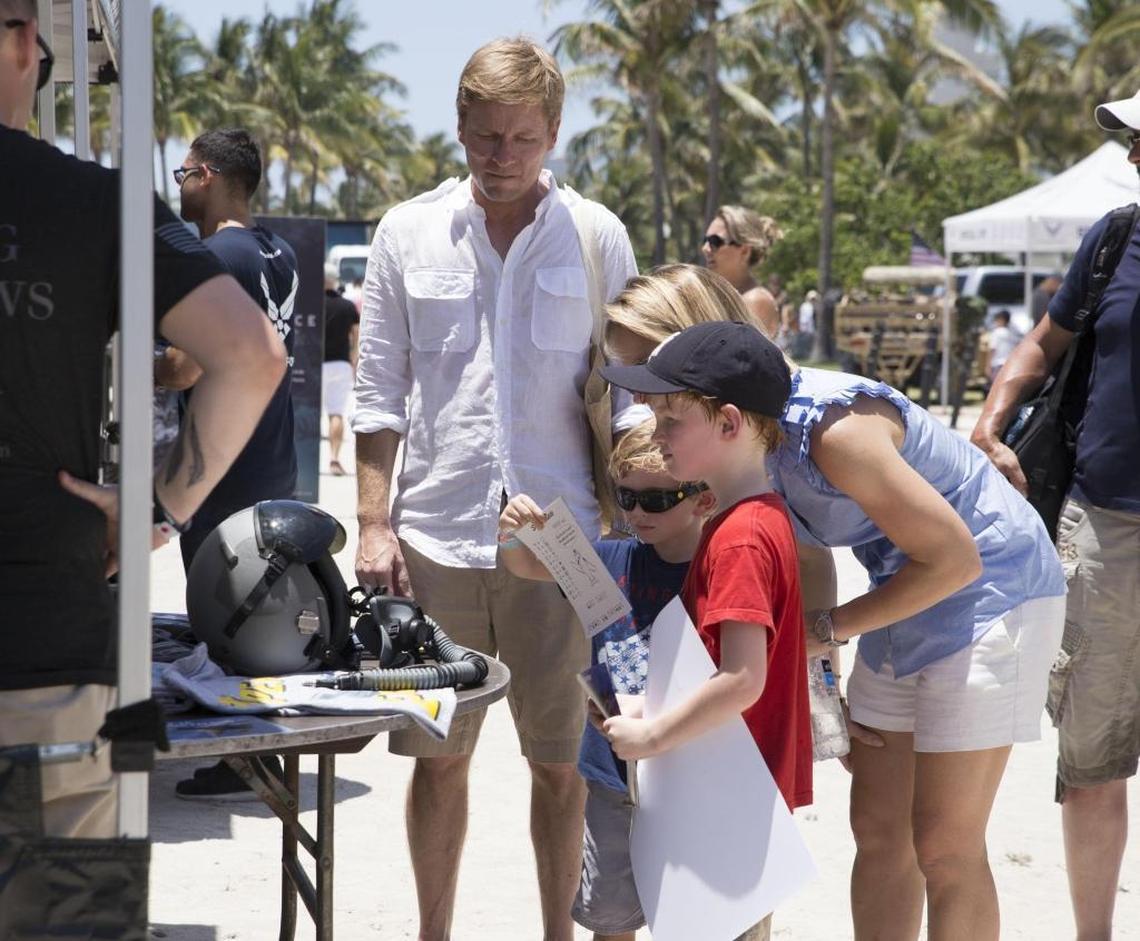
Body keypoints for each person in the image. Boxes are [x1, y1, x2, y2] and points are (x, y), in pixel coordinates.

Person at [604, 264, 1066, 941]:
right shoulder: (733, 449)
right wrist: (826, 692)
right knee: (877, 828)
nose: (645, 405)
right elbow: (809, 562)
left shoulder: (827, 426)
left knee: (944, 842)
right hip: (902, 591)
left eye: (651, 369)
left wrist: (826, 630)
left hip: (993, 586)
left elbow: (954, 556)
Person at [351, 38, 642, 941]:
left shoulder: (597, 236)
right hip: (433, 541)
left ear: (553, 132)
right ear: (461, 129)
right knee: (437, 763)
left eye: (522, 138)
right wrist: (371, 523)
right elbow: (377, 391)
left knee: (560, 765)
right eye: (485, 137)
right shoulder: (405, 232)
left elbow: (630, 395)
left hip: (564, 549)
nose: (502, 157)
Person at [0, 0, 284, 882]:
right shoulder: (99, 202)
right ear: (22, 42)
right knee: (61, 910)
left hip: (53, 637)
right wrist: (157, 510)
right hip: (51, 639)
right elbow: (251, 355)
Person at [971, 90, 1140, 941]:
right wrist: (993, 414)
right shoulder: (1115, 238)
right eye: (1135, 143)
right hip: (1104, 524)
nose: (1135, 157)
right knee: (1094, 754)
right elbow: (1044, 342)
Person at [598, 320, 813, 941]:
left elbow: (744, 679)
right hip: (736, 778)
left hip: (730, 784)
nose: (656, 435)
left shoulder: (741, 535)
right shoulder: (758, 517)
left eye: (670, 421)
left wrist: (653, 735)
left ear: (728, 423)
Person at [497, 420, 714, 941]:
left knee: (697, 914)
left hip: (696, 771)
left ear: (704, 500)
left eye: (657, 500)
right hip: (612, 773)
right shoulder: (610, 557)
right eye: (627, 497)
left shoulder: (720, 570)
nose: (638, 512)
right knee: (612, 916)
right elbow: (528, 565)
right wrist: (512, 533)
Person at [157, 127, 300, 799]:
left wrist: (135, 366)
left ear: (208, 175)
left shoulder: (214, 253)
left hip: (223, 464)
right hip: (272, 459)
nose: (179, 183)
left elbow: (186, 368)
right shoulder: (279, 253)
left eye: (184, 172)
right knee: (257, 617)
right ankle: (261, 748)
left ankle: (242, 755)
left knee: (222, 620)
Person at [700, 205, 783, 338]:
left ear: (744, 251)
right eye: (705, 240)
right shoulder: (717, 297)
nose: (705, 248)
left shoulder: (755, 301)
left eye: (715, 241)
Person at [322, 262, 359, 476]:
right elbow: (356, 336)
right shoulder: (347, 306)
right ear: (335, 280)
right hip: (340, 363)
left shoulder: (311, 304)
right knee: (336, 412)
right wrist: (354, 360)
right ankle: (334, 459)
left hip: (315, 365)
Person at [985, 309, 1021, 382]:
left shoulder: (996, 333)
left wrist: (987, 366)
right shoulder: (1012, 334)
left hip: (997, 364)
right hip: (1009, 364)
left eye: (997, 319)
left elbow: (992, 349)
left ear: (1002, 319)